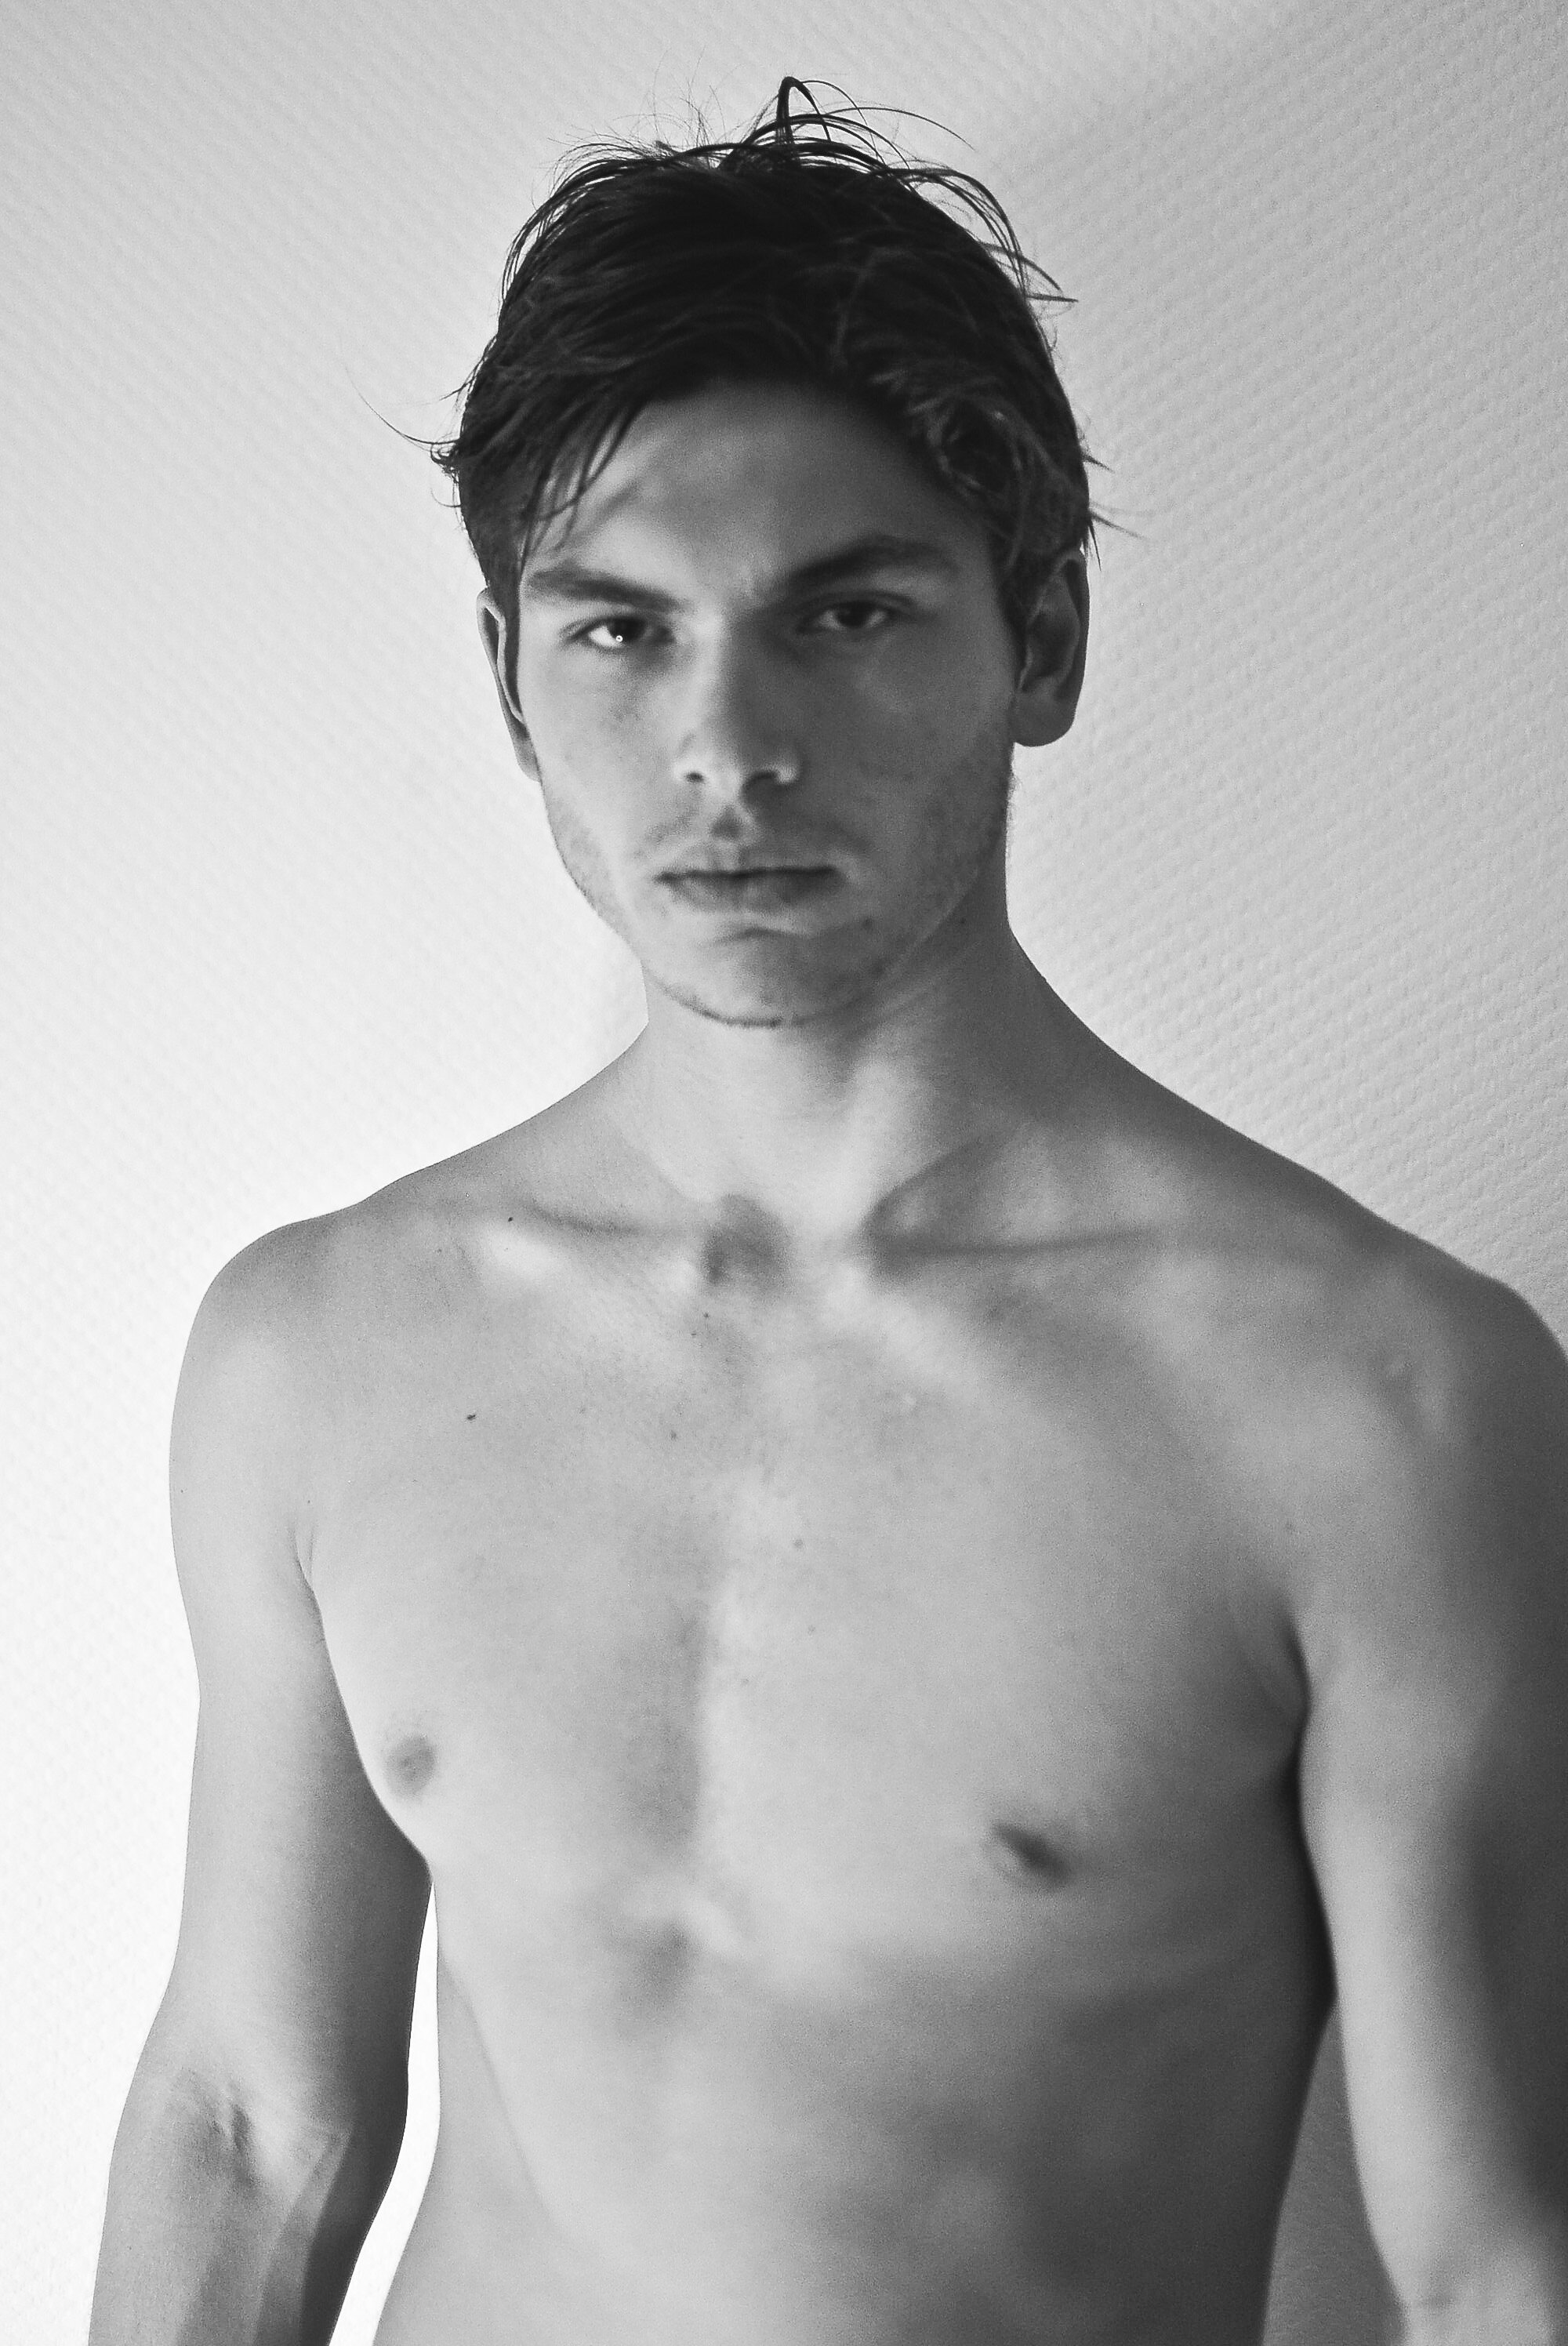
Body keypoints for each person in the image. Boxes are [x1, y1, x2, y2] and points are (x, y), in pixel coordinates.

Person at [89, 78, 1568, 2346]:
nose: (729, 746)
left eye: (846, 614)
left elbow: (1488, 2264)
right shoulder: (319, 1349)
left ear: (1041, 640)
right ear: (508, 684)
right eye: (619, 631)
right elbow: (248, 2127)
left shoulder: (1374, 1396)